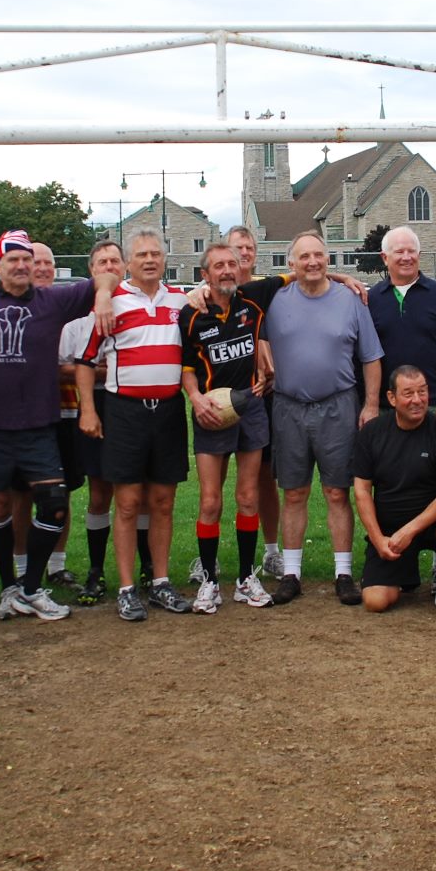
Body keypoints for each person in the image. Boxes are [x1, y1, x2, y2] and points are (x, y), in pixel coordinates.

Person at [0, 229, 119, 622]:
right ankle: (10, 588)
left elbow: (106, 276)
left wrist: (104, 294)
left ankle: (30, 587)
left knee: (55, 503)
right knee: (0, 504)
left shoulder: (53, 300)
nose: (22, 266)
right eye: (13, 260)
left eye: (27, 259)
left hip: (39, 423)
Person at [259, 231, 384, 605]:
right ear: (291, 263)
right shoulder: (275, 300)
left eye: (319, 255)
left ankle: (343, 573)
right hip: (288, 406)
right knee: (294, 491)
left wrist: (372, 404)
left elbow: (371, 357)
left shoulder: (351, 299)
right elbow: (234, 295)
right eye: (304, 257)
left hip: (338, 405)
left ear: (328, 259)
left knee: (336, 491)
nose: (312, 262)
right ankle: (292, 574)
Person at [78, 231, 193, 621]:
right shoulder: (112, 304)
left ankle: (159, 581)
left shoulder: (181, 300)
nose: (149, 260)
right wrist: (88, 411)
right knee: (126, 504)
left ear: (165, 258)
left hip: (168, 412)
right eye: (141, 254)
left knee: (162, 502)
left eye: (155, 254)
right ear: (128, 262)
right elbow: (84, 361)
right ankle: (127, 589)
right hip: (124, 412)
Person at [179, 242, 273, 610]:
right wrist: (195, 398)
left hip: (249, 405)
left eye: (232, 263)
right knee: (210, 501)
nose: (227, 270)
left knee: (248, 497)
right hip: (211, 410)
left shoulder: (252, 304)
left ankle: (247, 577)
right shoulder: (191, 314)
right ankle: (210, 580)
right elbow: (186, 365)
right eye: (218, 265)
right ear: (205, 275)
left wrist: (342, 275)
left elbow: (295, 271)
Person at [351, 365, 436, 616]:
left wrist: (409, 531)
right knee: (376, 601)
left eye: (423, 392)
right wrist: (379, 540)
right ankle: (404, 574)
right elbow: (362, 492)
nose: (417, 400)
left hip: (433, 523)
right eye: (408, 393)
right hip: (391, 530)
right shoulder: (372, 433)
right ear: (391, 398)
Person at [8, 242, 88, 599]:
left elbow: (77, 363)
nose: (41, 268)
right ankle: (24, 566)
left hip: (66, 411)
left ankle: (57, 564)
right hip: (25, 417)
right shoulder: (10, 306)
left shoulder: (64, 307)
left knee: (63, 491)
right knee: (22, 494)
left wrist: (65, 370)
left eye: (47, 263)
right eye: (35, 262)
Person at [61, 239, 124, 603]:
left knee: (139, 493)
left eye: (115, 260)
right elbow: (61, 369)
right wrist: (100, 372)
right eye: (102, 261)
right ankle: (97, 570)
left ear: (125, 266)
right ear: (92, 270)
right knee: (100, 492)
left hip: (130, 406)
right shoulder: (75, 324)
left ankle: (147, 568)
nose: (109, 266)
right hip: (96, 405)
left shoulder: (137, 308)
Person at [365, 227, 436, 430]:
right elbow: (365, 357)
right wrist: (370, 404)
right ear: (385, 257)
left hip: (434, 405)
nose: (406, 257)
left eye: (411, 251)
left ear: (419, 255)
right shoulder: (372, 299)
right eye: (399, 252)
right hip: (387, 409)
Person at [227, 225, 286, 577]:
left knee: (264, 476)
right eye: (238, 247)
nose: (245, 252)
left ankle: (271, 551)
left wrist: (346, 278)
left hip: (262, 395)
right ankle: (209, 558)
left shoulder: (267, 289)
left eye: (249, 247)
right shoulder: (209, 293)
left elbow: (309, 273)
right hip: (220, 395)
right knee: (213, 482)